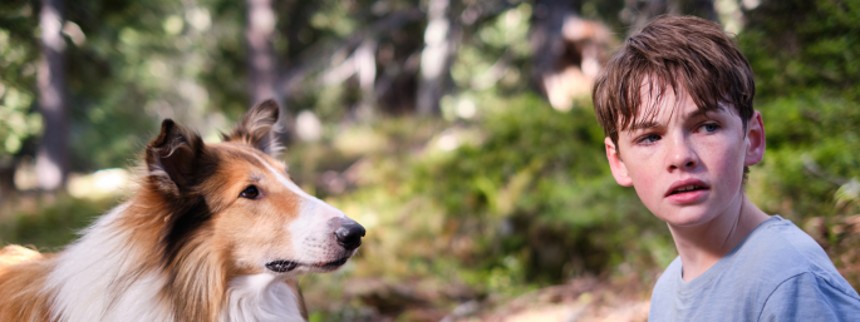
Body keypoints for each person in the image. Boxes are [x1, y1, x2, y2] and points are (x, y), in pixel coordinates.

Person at [591, 15, 860, 320]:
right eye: (650, 137)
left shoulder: (789, 279)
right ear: (618, 161)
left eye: (706, 127)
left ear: (752, 139)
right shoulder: (667, 291)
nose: (680, 156)